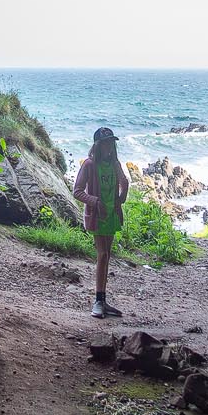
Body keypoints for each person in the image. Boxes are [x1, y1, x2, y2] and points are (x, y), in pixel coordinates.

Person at [72, 127, 130, 318]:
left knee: (107, 255)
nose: (109, 146)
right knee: (102, 255)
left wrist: (123, 195)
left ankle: (103, 300)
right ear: (98, 145)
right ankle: (98, 301)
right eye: (106, 143)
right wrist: (96, 202)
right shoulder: (89, 165)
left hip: (112, 215)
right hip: (97, 217)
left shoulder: (114, 163)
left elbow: (124, 181)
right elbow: (78, 191)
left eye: (111, 142)